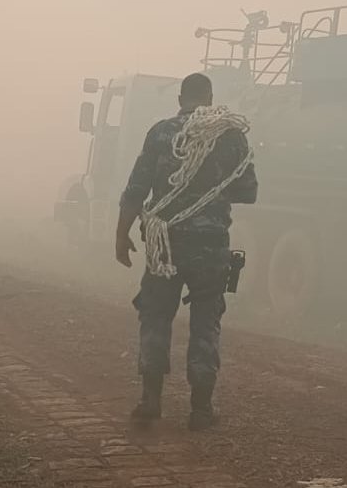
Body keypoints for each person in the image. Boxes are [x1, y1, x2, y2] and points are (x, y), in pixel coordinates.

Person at [114, 72, 258, 430]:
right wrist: (211, 188)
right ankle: (201, 409)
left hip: (165, 245)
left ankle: (150, 400)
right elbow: (248, 191)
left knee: (155, 315)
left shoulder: (161, 133)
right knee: (206, 322)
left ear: (180, 99)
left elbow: (136, 189)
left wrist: (121, 235)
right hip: (210, 246)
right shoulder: (230, 135)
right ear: (210, 99)